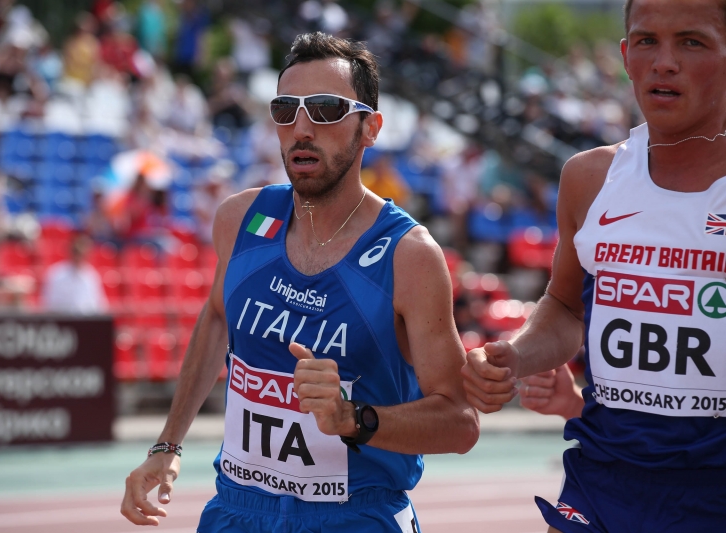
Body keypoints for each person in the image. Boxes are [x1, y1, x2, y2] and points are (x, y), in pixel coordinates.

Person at [121, 32, 479, 532]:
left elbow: (461, 424)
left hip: (354, 517)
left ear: (370, 128)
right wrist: (166, 445)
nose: (302, 128)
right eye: (286, 109)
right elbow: (216, 321)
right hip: (238, 511)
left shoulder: (410, 256)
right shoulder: (239, 218)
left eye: (327, 109)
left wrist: (354, 419)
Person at [461, 1, 726, 531]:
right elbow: (563, 305)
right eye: (647, 41)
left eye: (691, 42)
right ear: (626, 56)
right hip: (602, 479)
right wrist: (514, 356)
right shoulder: (589, 177)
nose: (664, 62)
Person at [41, 233, 107, 314]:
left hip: (86, 322)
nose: (78, 257)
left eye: (81, 253)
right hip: (62, 321)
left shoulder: (92, 275)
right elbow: (48, 304)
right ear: (70, 252)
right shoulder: (56, 273)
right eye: (76, 252)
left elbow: (99, 305)